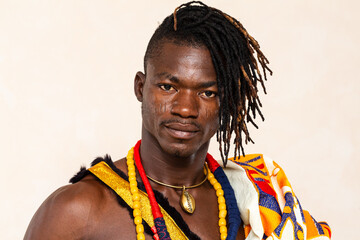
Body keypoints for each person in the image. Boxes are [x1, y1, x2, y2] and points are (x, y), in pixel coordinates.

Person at [24, 1, 331, 240]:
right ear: (141, 88)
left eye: (207, 92)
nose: (185, 108)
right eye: (168, 87)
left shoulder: (256, 202)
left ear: (227, 103)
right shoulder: (78, 212)